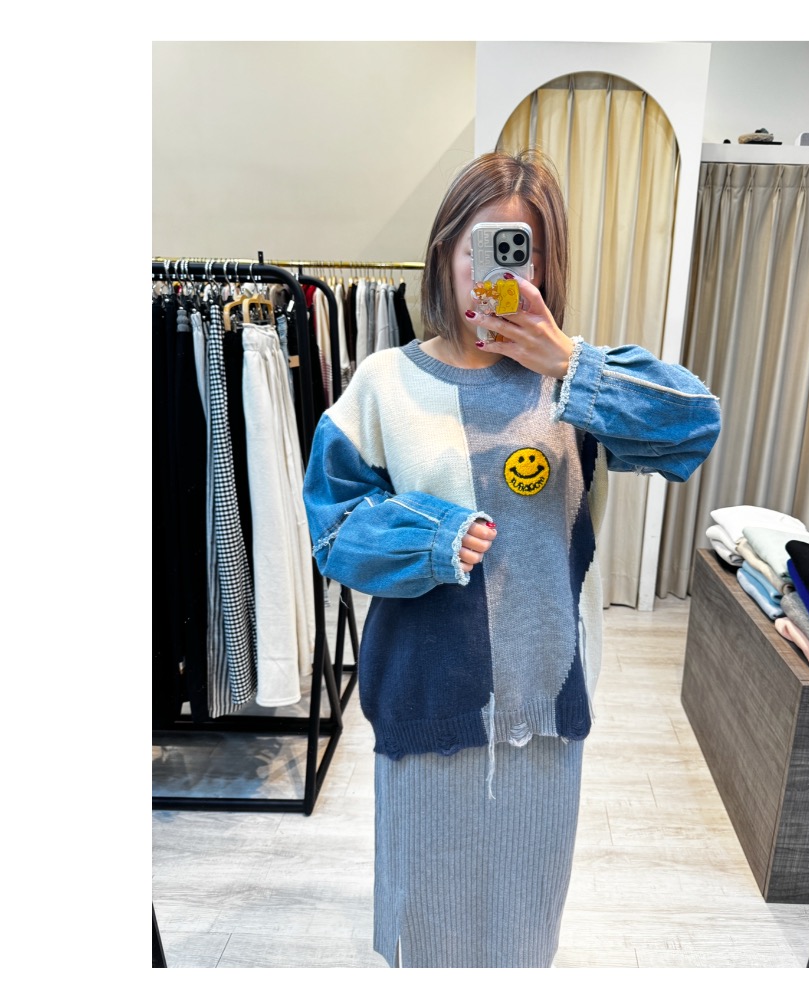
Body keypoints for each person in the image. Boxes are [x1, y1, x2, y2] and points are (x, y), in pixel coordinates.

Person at [302, 149, 721, 968]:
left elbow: (693, 426)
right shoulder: (384, 382)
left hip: (546, 700)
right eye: (476, 246)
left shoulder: (577, 383)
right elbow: (333, 529)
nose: (490, 272)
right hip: (428, 699)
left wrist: (569, 362)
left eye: (515, 250)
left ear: (543, 263)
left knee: (525, 925)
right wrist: (429, 539)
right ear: (444, 252)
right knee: (427, 925)